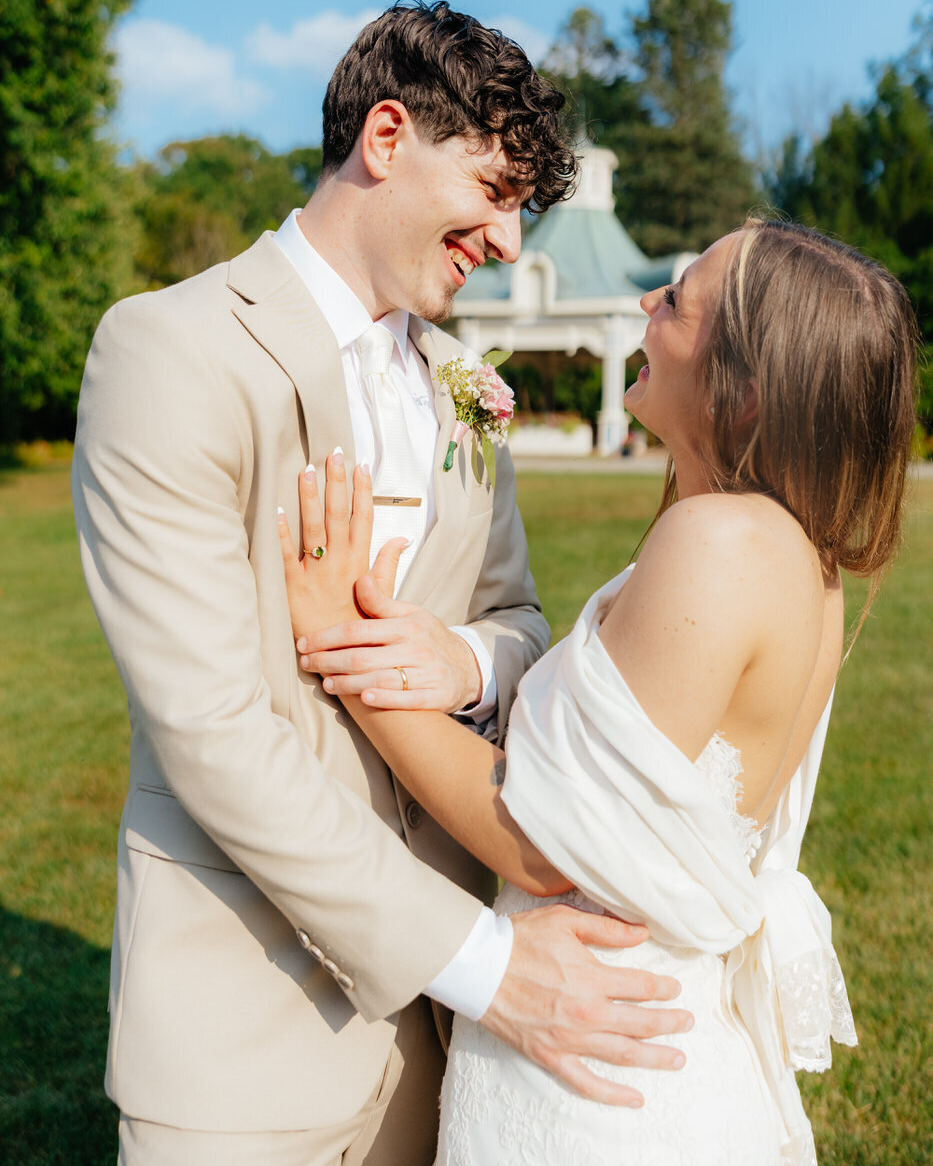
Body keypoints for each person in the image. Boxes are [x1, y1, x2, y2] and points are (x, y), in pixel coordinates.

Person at [71, 0, 692, 1166]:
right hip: (240, 1017)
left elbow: (521, 621)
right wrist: (488, 964)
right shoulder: (171, 348)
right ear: (389, 135)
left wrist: (459, 656)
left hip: (439, 1049)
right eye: (497, 193)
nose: (510, 244)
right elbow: (210, 729)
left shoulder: (467, 382)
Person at [281, 218, 918, 1164]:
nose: (644, 305)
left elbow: (539, 845)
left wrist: (341, 642)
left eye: (677, 301)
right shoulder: (799, 558)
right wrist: (454, 659)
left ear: (743, 389)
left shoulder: (719, 545)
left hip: (598, 1081)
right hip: (643, 1038)